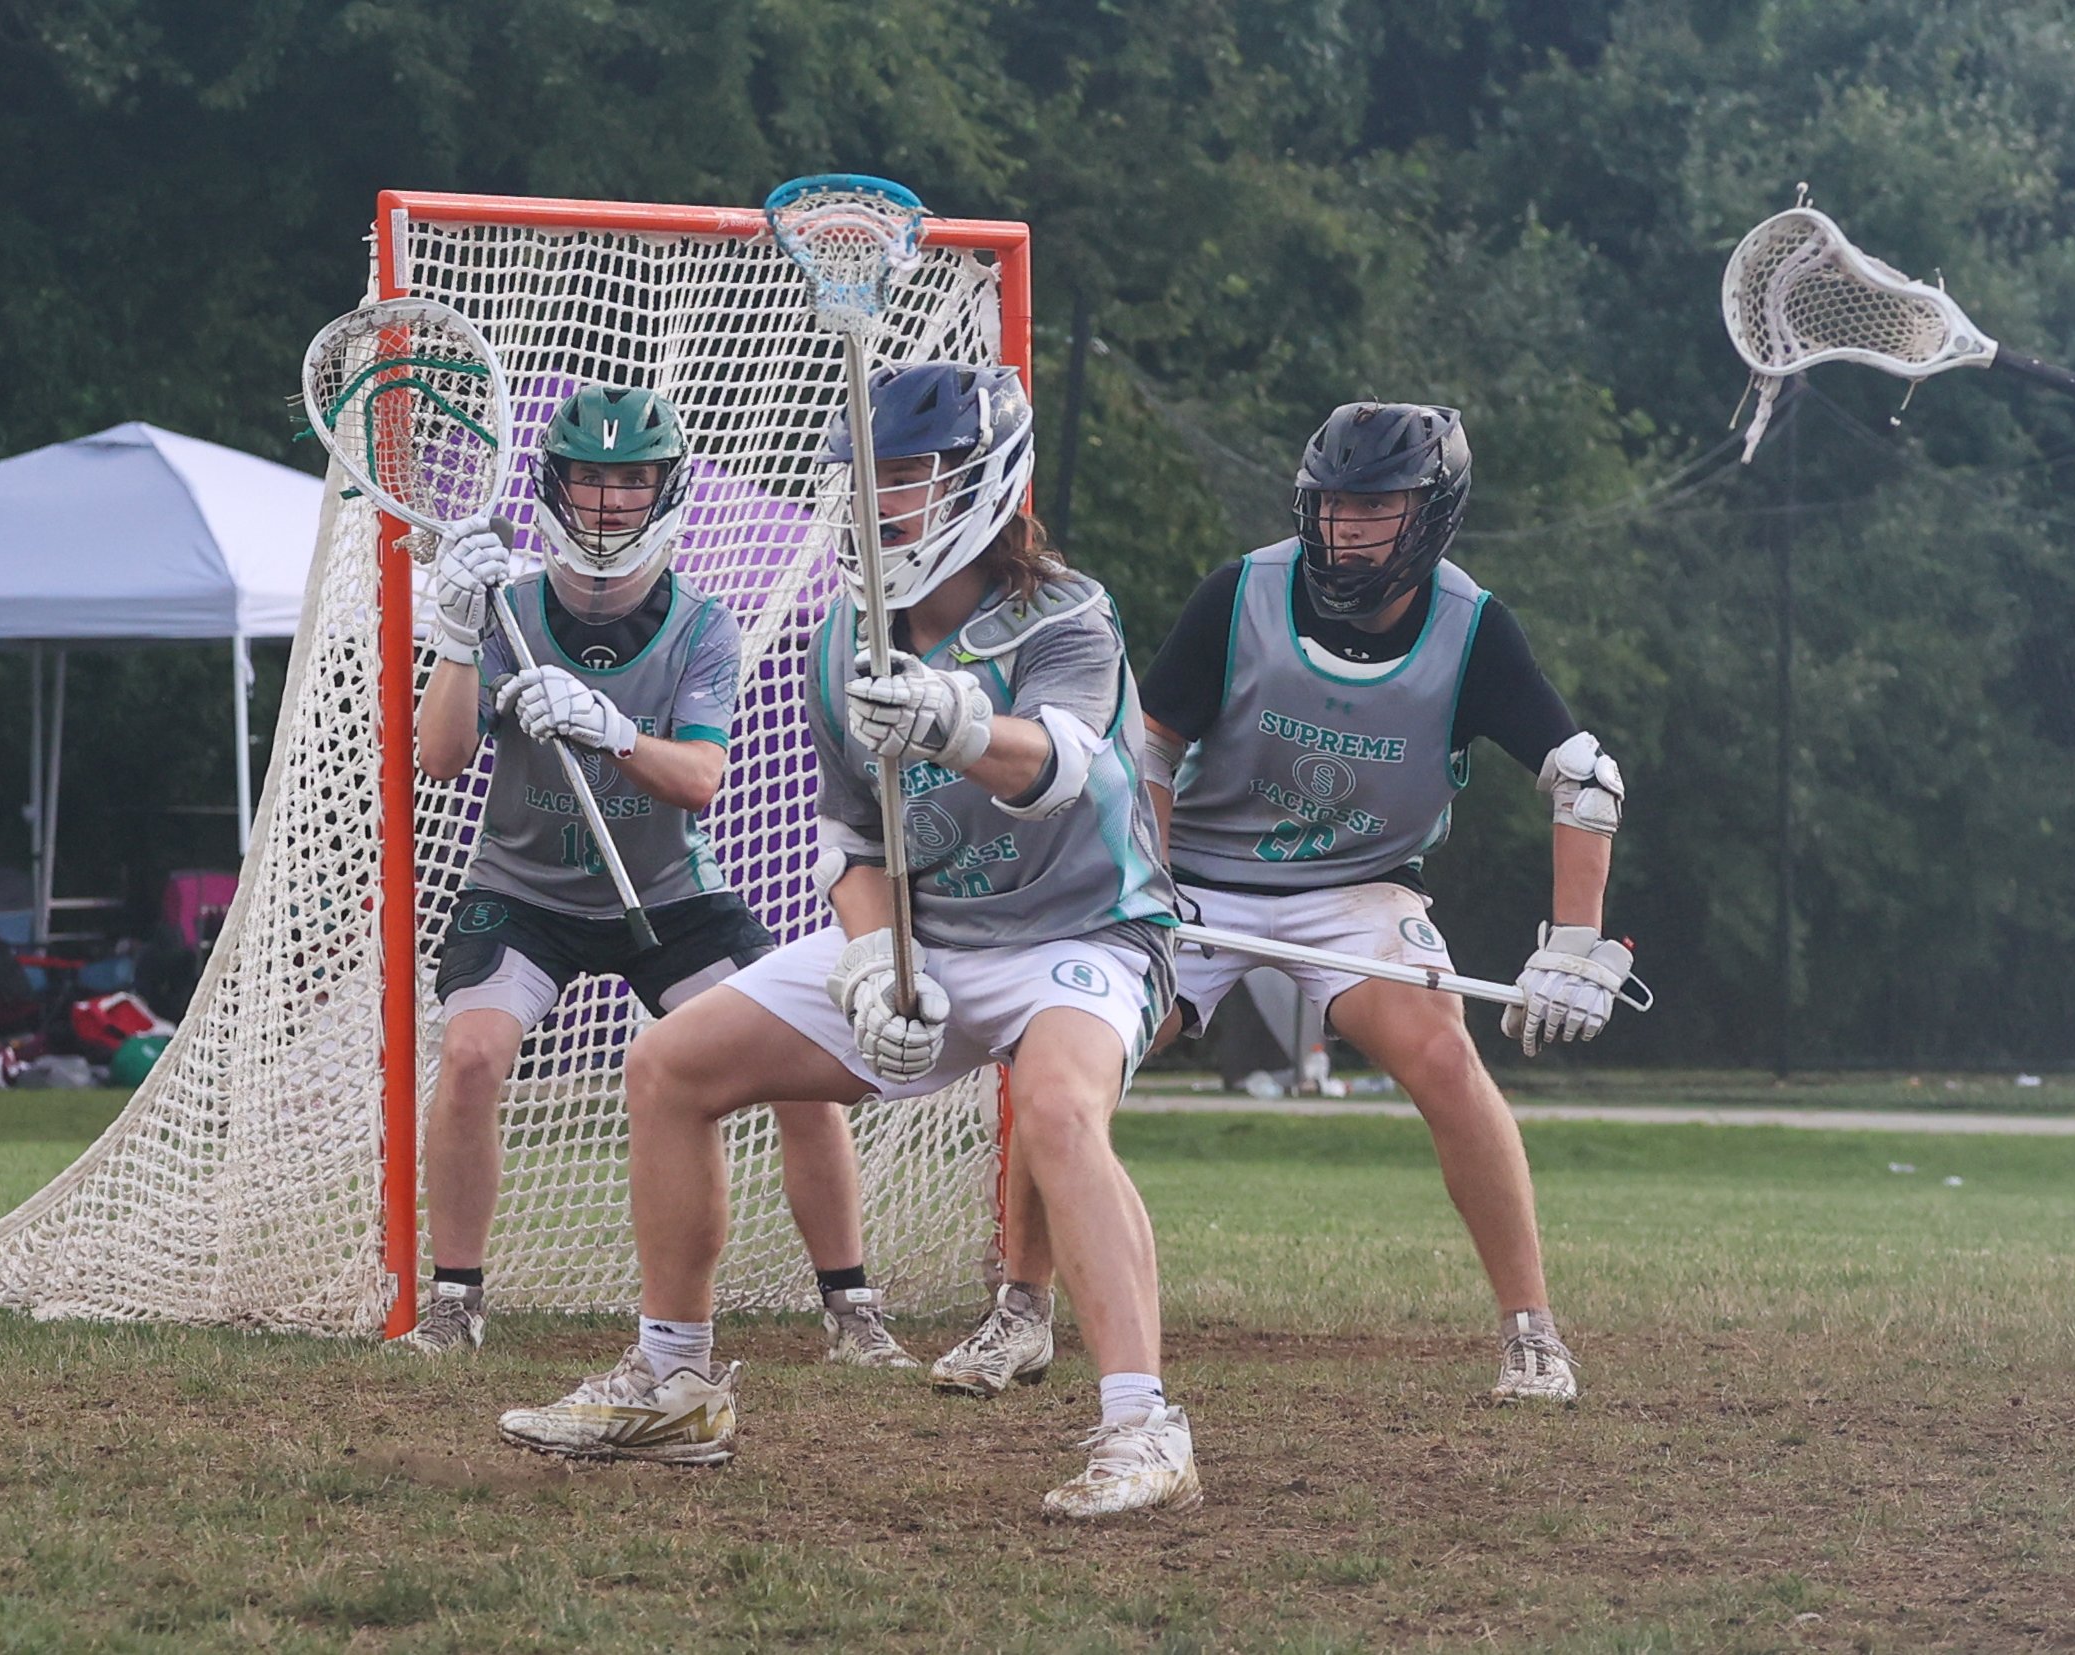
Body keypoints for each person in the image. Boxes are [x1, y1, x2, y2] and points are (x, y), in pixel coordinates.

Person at [499, 362, 1200, 1518]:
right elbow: (849, 834)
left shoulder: (1065, 612)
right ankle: (673, 1379)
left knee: (1063, 1109)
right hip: (926, 934)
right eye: (868, 477)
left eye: (913, 476)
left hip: (1084, 930)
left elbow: (1066, 766)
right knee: (669, 1064)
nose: (883, 502)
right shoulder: (842, 633)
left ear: (981, 480)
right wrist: (873, 956)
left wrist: (959, 718)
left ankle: (1140, 1426)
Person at [939, 401, 1633, 1405]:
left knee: (1442, 1054)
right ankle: (1019, 1310)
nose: (1344, 529)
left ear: (1430, 514)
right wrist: (1142, 885)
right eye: (1332, 506)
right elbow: (1150, 748)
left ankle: (1530, 1330)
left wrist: (1573, 941)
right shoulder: (1242, 593)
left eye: (1373, 508)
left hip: (1353, 886)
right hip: (1195, 881)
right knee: (1063, 1051)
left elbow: (1584, 777)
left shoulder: (1471, 626)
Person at [406, 384, 915, 1369]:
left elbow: (699, 778)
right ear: (555, 486)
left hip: (669, 891)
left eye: (629, 480)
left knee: (797, 1067)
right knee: (470, 1055)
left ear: (662, 488)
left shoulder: (703, 626)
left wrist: (607, 726)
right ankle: (453, 1302)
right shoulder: (503, 608)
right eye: (589, 480)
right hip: (523, 889)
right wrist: (460, 638)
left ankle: (851, 1307)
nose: (606, 503)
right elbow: (439, 756)